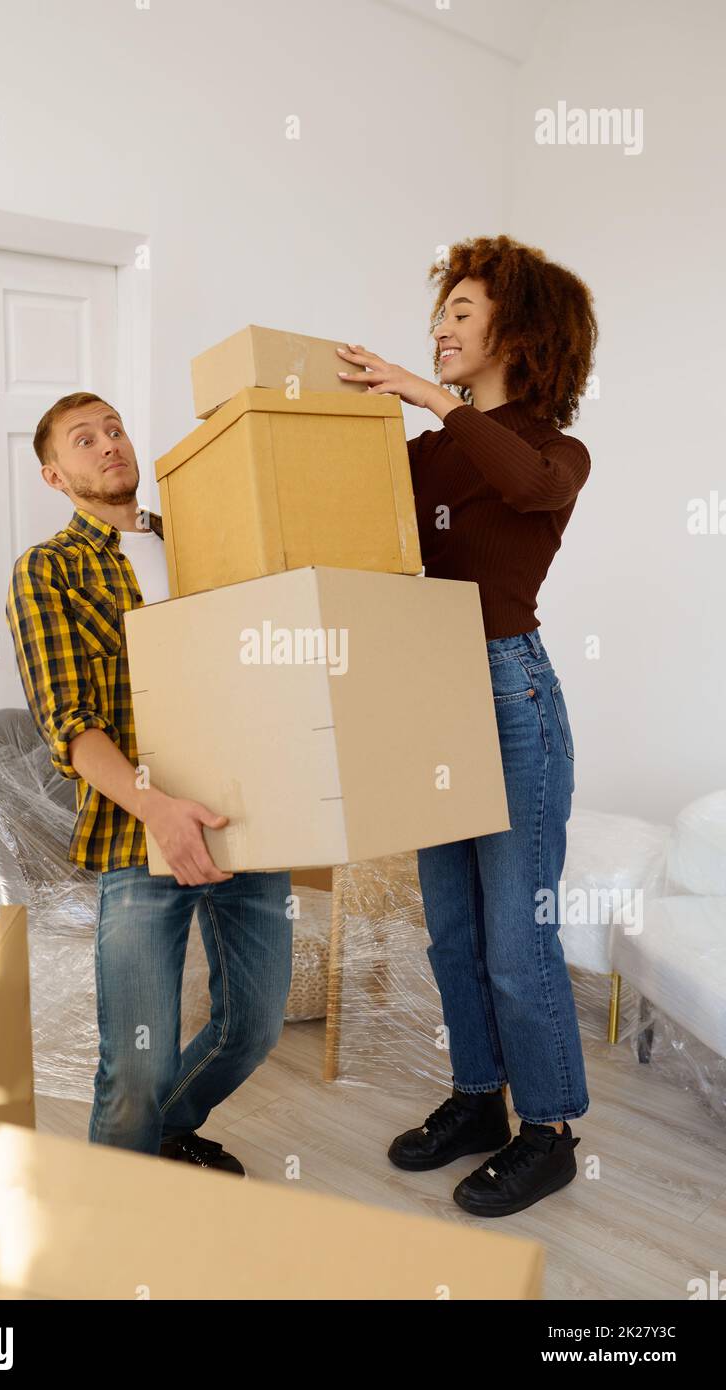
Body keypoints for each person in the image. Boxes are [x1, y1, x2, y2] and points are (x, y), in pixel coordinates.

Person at [337, 234, 597, 1217]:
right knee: (450, 930)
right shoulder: (430, 450)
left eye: (461, 310)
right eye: (439, 309)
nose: (440, 326)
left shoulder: (552, 451)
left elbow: (526, 488)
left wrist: (424, 392)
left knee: (514, 936)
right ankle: (479, 1100)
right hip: (429, 691)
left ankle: (551, 1128)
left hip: (509, 696)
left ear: (519, 331)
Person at [6, 392, 292, 1173]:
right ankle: (118, 1238)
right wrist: (159, 810)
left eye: (115, 429)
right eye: (83, 439)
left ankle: (165, 1138)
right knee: (135, 1063)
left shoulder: (206, 541)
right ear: (54, 475)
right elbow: (69, 723)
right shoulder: (48, 570)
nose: (108, 445)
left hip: (245, 817)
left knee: (255, 1026)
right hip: (140, 832)